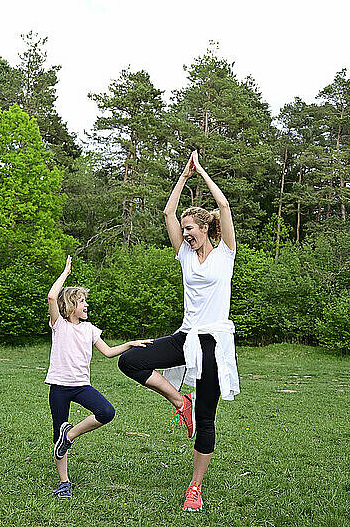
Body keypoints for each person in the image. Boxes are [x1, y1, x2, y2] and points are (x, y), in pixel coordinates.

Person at [118, 150, 240, 511]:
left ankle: (195, 488)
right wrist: (183, 177)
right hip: (185, 337)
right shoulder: (184, 254)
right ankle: (178, 400)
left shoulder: (226, 253)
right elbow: (168, 213)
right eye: (183, 229)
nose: (185, 233)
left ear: (205, 228)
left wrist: (201, 171)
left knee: (207, 418)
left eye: (191, 228)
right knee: (131, 361)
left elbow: (225, 206)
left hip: (215, 343)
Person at [46, 255, 152, 499]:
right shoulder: (59, 325)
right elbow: (52, 296)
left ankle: (70, 434)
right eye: (82, 301)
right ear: (70, 305)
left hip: (81, 386)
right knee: (56, 435)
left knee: (106, 412)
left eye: (86, 301)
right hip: (59, 388)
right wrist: (65, 274)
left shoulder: (90, 329)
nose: (86, 305)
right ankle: (64, 483)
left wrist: (130, 344)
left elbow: (107, 352)